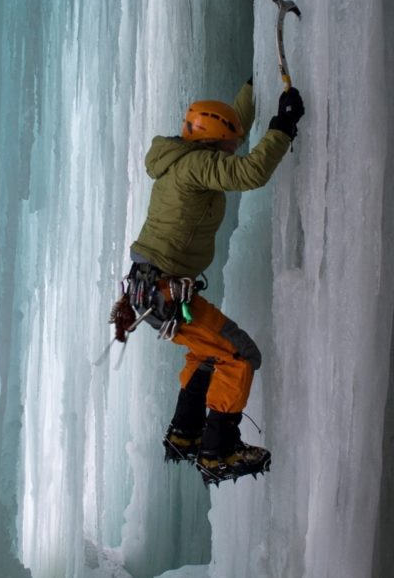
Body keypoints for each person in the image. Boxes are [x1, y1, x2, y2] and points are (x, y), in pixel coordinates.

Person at [113, 79, 304, 485]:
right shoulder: (198, 165)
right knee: (239, 353)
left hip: (150, 288)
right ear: (215, 141)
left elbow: (229, 122)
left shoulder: (182, 157)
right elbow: (251, 172)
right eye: (229, 142)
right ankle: (218, 450)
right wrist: (283, 127)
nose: (234, 146)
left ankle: (185, 433)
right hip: (162, 289)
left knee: (207, 352)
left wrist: (254, 87)